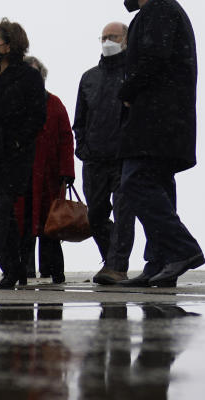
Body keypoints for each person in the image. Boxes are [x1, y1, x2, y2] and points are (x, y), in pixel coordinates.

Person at [116, 0, 204, 287]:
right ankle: (160, 263)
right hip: (167, 122)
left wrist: (127, 90)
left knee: (136, 181)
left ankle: (181, 249)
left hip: (156, 121)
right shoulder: (163, 10)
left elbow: (153, 58)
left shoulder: (159, 9)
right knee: (158, 186)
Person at [0, 19, 47, 289]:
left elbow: (38, 115)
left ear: (10, 45)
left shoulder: (28, 76)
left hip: (15, 155)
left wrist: (16, 142)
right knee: (1, 213)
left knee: (4, 207)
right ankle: (15, 268)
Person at [74, 22, 134, 285]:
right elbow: (80, 120)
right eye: (104, 37)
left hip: (123, 159)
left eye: (114, 36)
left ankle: (116, 266)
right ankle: (111, 260)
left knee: (123, 213)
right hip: (94, 159)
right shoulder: (89, 78)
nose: (108, 41)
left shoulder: (134, 74)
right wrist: (83, 147)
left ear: (126, 40)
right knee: (95, 215)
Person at [15, 56, 75, 284]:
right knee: (24, 225)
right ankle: (24, 271)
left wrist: (67, 171)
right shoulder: (16, 103)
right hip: (24, 175)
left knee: (51, 226)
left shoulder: (55, 103)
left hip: (50, 176)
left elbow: (66, 138)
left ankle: (53, 271)